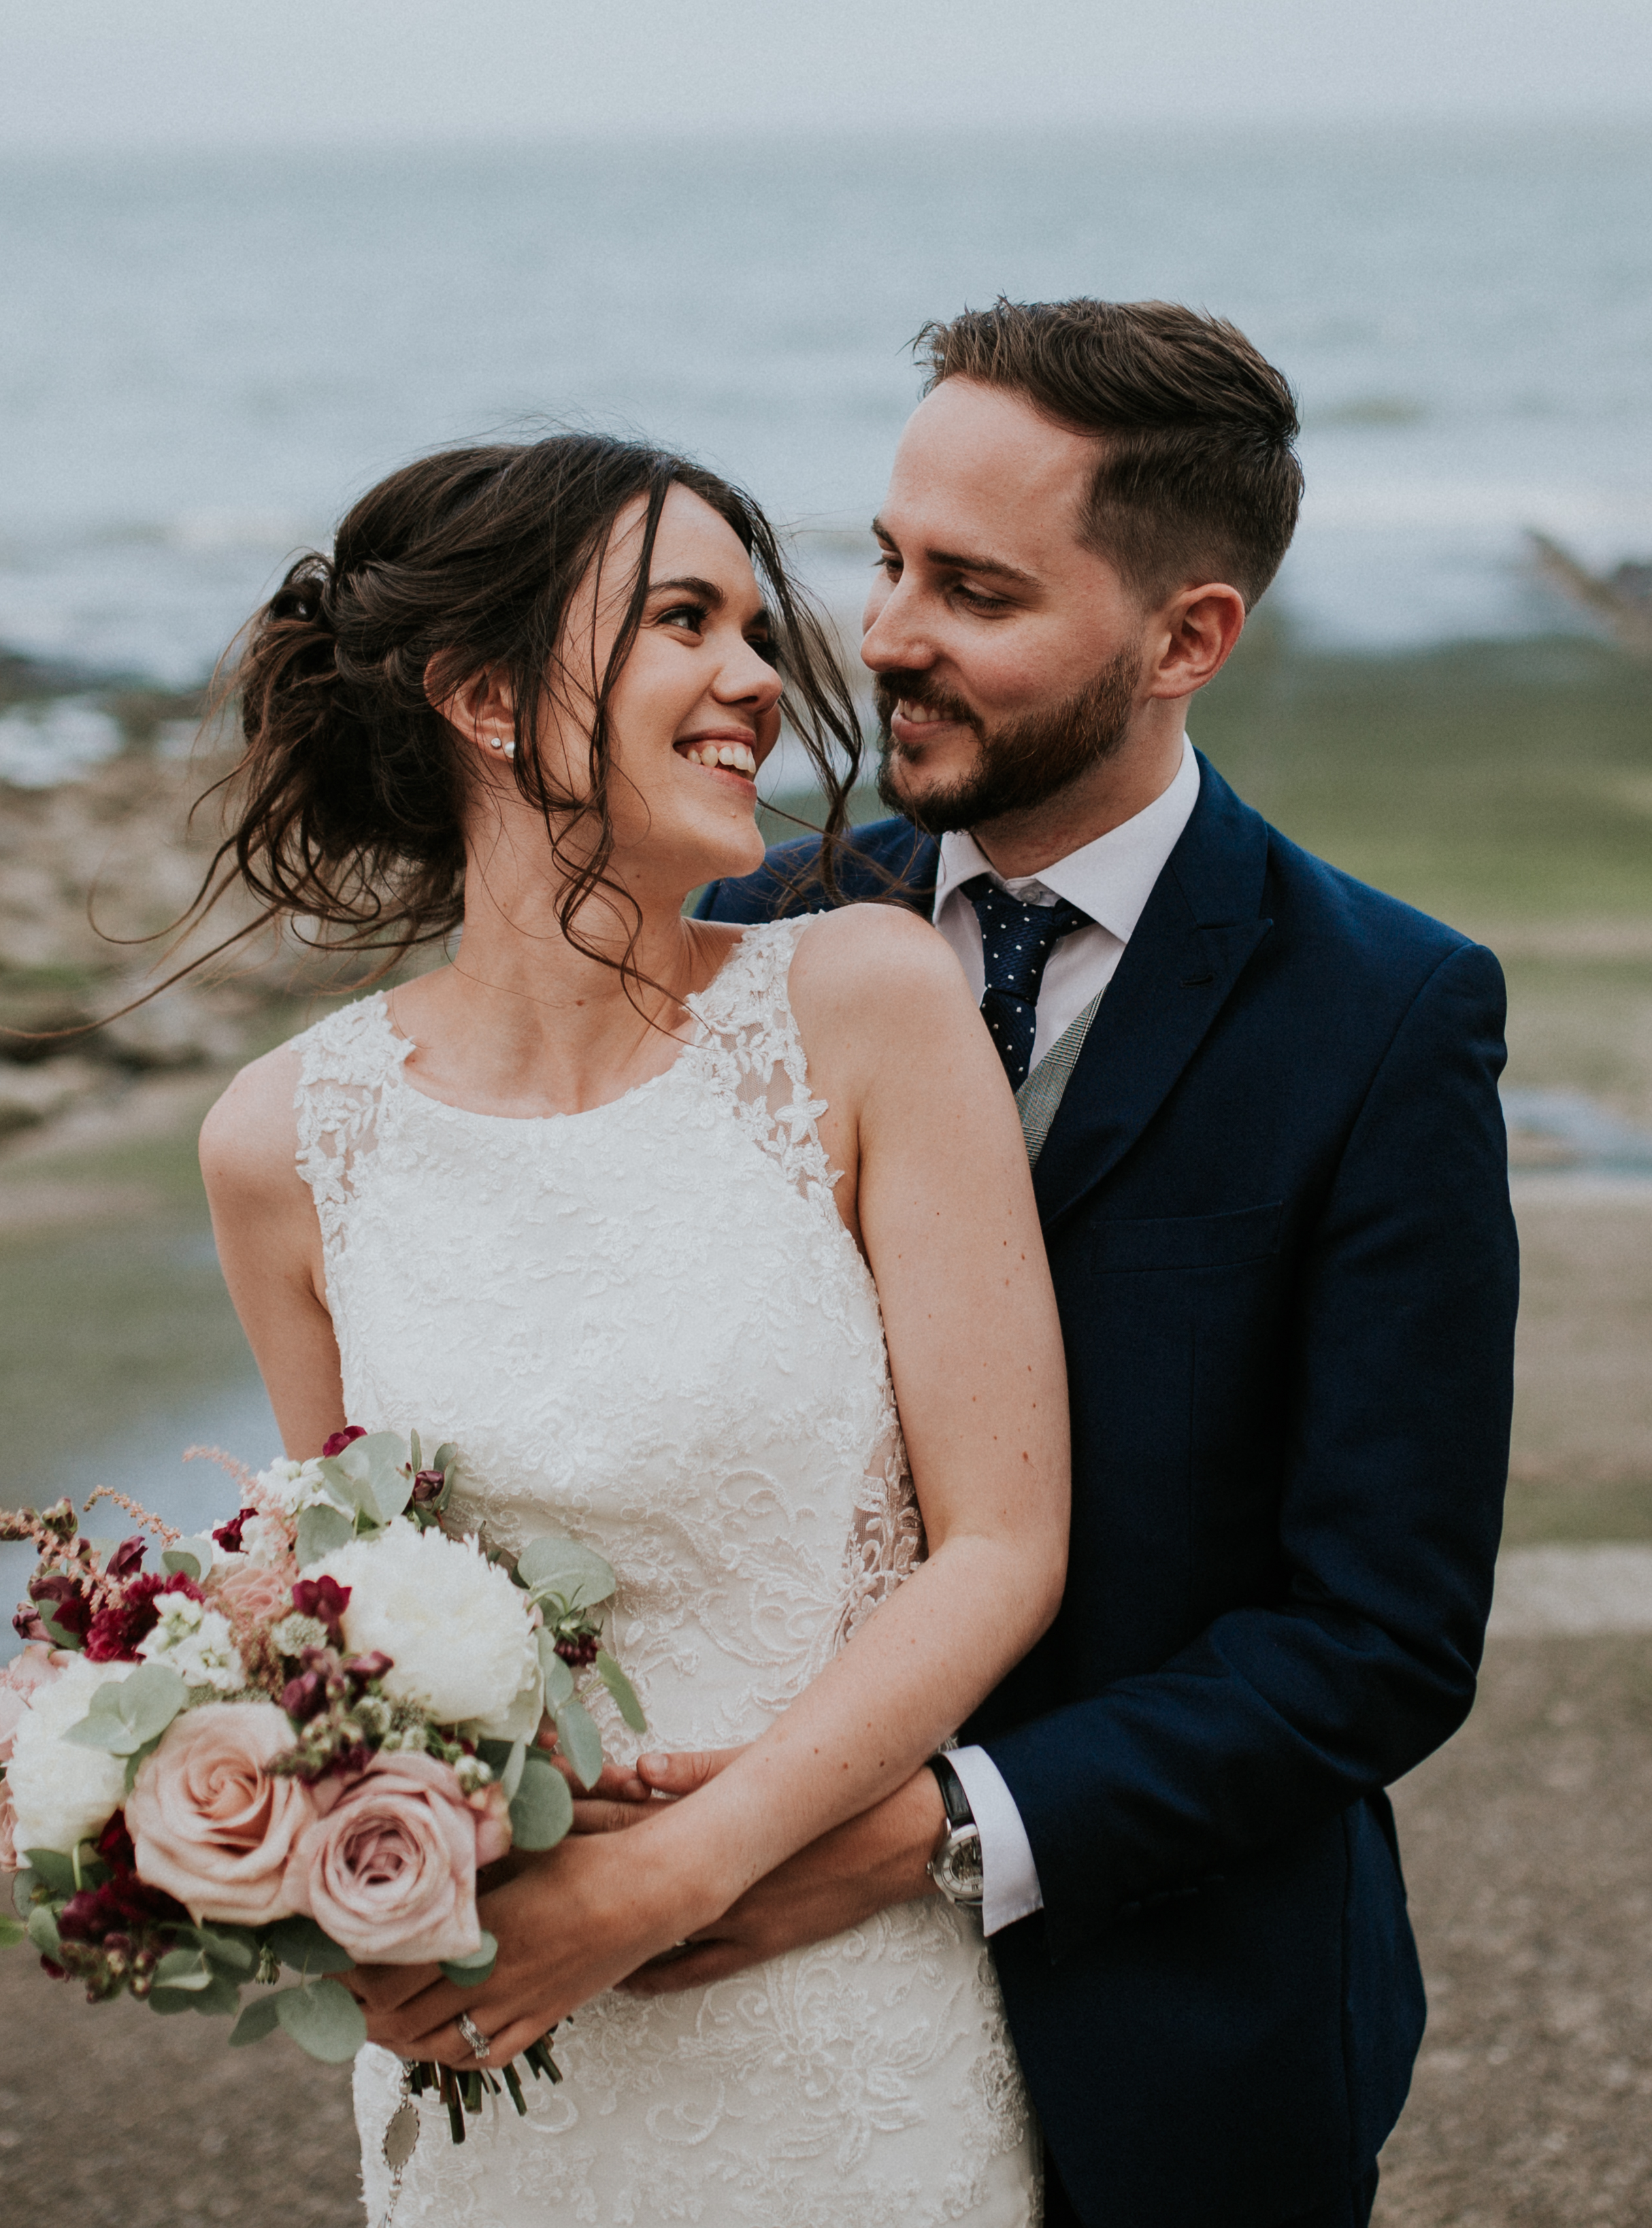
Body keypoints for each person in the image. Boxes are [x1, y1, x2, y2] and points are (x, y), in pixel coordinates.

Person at [616, 299, 1521, 2227]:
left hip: (1189, 2037)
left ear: (1187, 637)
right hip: (753, 2033)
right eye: (882, 559)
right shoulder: (741, 940)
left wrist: (937, 1828)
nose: (881, 639)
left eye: (976, 589)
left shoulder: (1387, 1014)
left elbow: (1382, 1634)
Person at [190, 433, 1066, 2224]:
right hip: (501, 2052)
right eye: (685, 620)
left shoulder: (867, 1005)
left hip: (830, 2015)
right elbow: (339, 1628)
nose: (758, 677)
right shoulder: (287, 1142)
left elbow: (1006, 1544)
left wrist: (679, 1878)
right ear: (487, 699)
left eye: (754, 626)